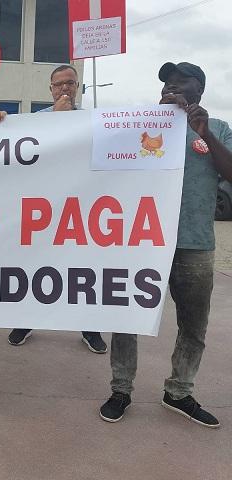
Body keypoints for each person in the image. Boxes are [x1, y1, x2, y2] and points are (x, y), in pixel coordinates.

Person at [99, 62, 232, 428]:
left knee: (193, 325)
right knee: (127, 318)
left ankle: (179, 391)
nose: (170, 88)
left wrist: (202, 130)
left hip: (194, 245)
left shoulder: (217, 128)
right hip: (141, 243)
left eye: (180, 83)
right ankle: (121, 388)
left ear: (199, 91)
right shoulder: (141, 125)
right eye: (166, 84)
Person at [5, 65, 107, 354]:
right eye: (59, 84)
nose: (64, 88)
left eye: (70, 83)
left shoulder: (93, 120)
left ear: (78, 87)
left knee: (83, 270)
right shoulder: (35, 121)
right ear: (50, 89)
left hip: (79, 207)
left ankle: (90, 328)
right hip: (42, 209)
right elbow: (19, 150)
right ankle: (26, 320)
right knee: (35, 266)